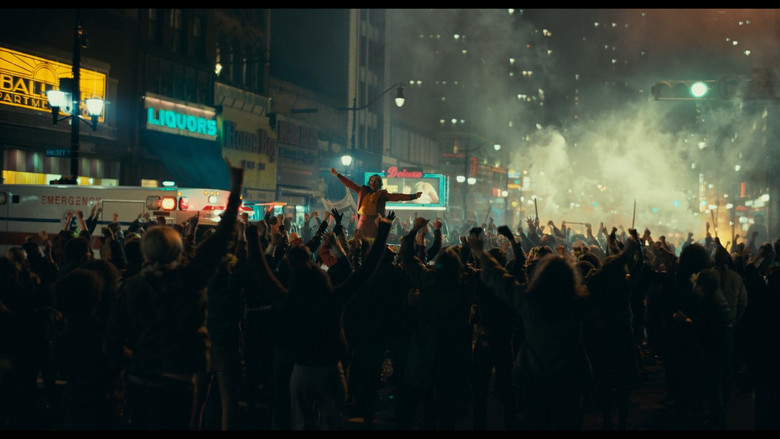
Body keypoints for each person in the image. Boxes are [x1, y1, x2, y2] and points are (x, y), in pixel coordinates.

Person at [103, 157, 244, 430]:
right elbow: (219, 241)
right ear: (177, 251)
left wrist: (138, 360)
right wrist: (235, 188)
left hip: (140, 380)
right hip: (179, 379)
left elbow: (111, 344)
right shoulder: (189, 279)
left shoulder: (131, 287)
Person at [468, 227, 592, 430]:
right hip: (569, 375)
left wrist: (480, 253)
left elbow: (500, 279)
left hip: (535, 376)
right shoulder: (579, 303)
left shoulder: (529, 301)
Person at [331, 168, 421, 240]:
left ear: (379, 184)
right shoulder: (362, 190)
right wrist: (338, 175)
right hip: (362, 219)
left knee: (372, 242)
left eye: (376, 181)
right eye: (372, 180)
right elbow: (350, 184)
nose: (373, 183)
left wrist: (413, 196)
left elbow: (397, 196)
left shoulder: (382, 194)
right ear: (369, 182)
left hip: (373, 221)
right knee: (359, 240)